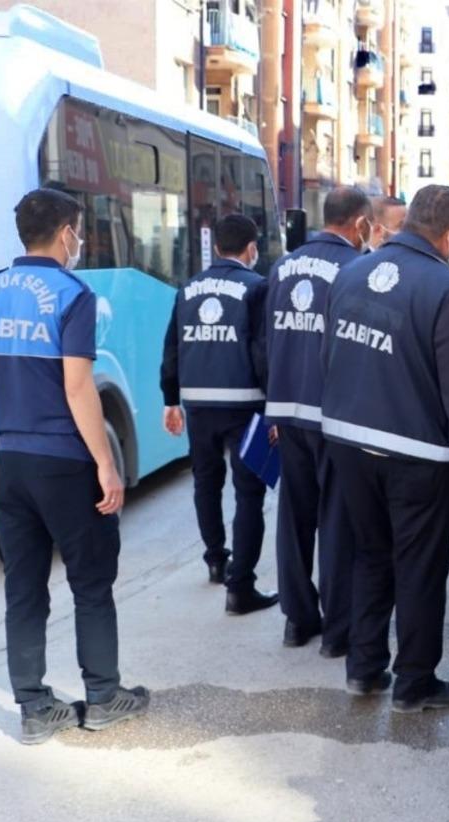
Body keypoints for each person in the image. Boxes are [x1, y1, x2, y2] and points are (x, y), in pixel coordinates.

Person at [0, 188, 148, 744]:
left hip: (9, 461)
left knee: (23, 588)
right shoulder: (72, 293)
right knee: (91, 583)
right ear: (67, 232)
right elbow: (78, 387)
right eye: (78, 230)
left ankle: (33, 708)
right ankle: (103, 697)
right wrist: (106, 462)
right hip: (63, 462)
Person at [320, 184, 449, 711]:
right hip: (415, 452)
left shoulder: (351, 272)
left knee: (370, 555)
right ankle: (414, 680)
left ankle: (364, 669)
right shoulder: (446, 287)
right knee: (418, 565)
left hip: (348, 440)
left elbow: (332, 353)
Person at [265, 188, 370, 654]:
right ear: (360, 223)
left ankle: (297, 619)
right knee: (336, 520)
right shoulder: (354, 269)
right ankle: (337, 631)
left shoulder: (282, 266)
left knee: (294, 517)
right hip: (333, 412)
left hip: (287, 409)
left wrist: (271, 405)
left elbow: (267, 339)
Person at [160, 214, 277, 615]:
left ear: (216, 247)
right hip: (246, 406)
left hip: (198, 406)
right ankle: (240, 587)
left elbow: (172, 347)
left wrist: (169, 399)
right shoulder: (256, 287)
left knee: (206, 484)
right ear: (250, 248)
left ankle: (215, 559)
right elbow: (262, 352)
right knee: (249, 494)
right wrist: (275, 404)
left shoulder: (188, 288)